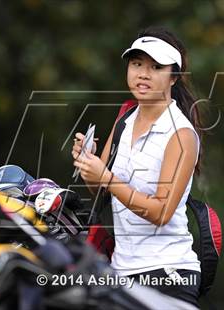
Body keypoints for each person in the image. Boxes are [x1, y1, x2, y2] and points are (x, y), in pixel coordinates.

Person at [71, 26, 203, 308]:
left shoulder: (180, 134)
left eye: (156, 66)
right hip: (120, 272)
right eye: (137, 63)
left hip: (169, 275)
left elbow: (161, 212)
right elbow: (100, 191)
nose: (143, 73)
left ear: (173, 77)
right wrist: (89, 165)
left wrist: (105, 176)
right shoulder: (126, 119)